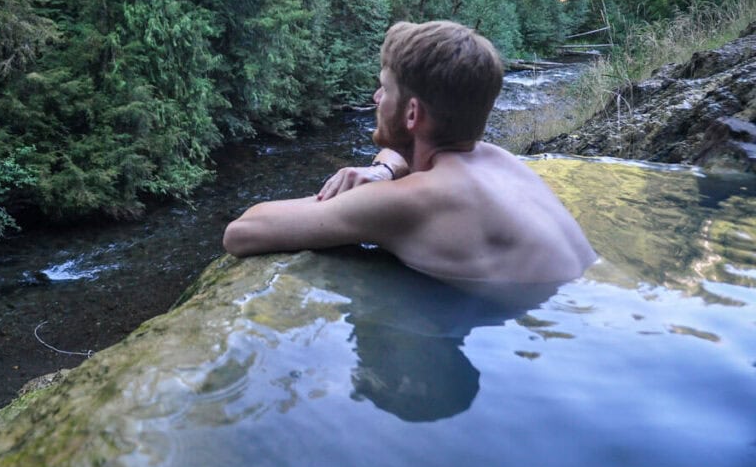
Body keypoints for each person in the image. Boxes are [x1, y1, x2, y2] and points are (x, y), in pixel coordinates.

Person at [222, 20, 596, 289]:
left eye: (385, 89)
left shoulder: (413, 201)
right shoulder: (499, 159)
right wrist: (384, 169)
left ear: (413, 113)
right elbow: (410, 154)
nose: (376, 98)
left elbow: (242, 232)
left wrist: (370, 193)